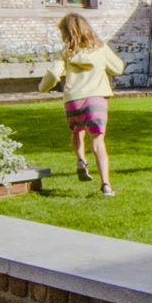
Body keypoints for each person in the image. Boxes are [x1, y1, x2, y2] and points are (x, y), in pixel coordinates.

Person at [39, 12, 126, 195]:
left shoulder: (67, 53)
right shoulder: (100, 49)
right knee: (97, 142)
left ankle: (81, 160)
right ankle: (106, 185)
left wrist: (42, 88)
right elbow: (118, 68)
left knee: (77, 130)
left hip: (72, 100)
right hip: (96, 99)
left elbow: (53, 74)